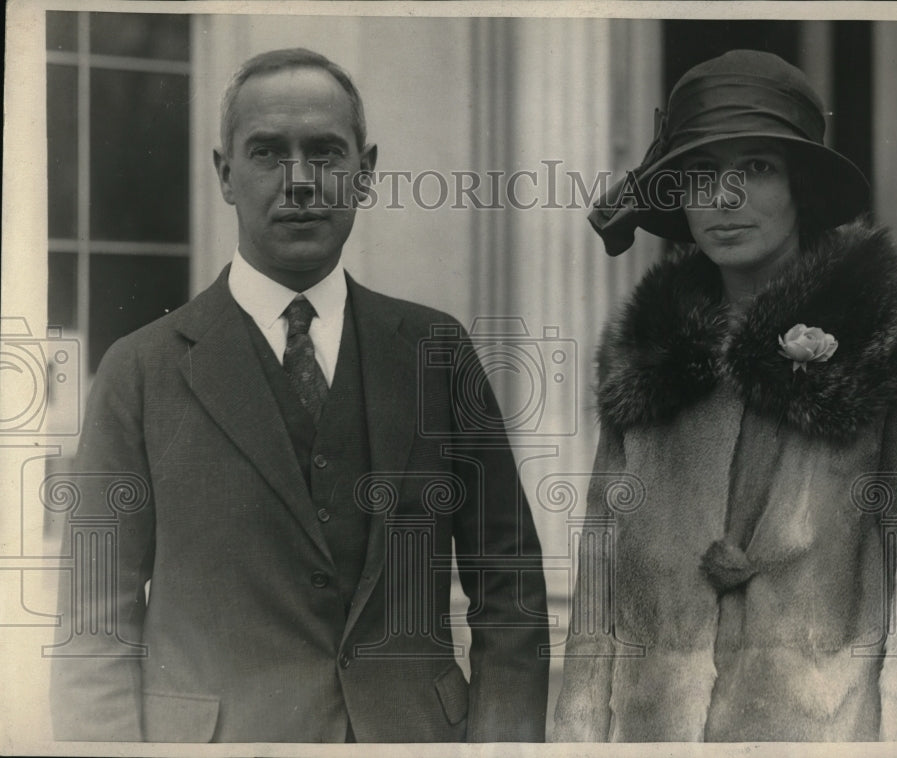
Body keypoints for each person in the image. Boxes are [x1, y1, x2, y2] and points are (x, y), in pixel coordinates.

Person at [49, 48, 548, 743]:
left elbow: (511, 589)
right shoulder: (138, 373)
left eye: (325, 152)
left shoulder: (437, 354)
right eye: (267, 153)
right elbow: (94, 630)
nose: (302, 181)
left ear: (364, 173)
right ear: (226, 174)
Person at [553, 49, 897, 742]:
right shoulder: (647, 352)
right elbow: (600, 582)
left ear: (799, 184)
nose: (724, 197)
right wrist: (578, 738)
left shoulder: (894, 337)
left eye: (757, 168)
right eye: (701, 175)